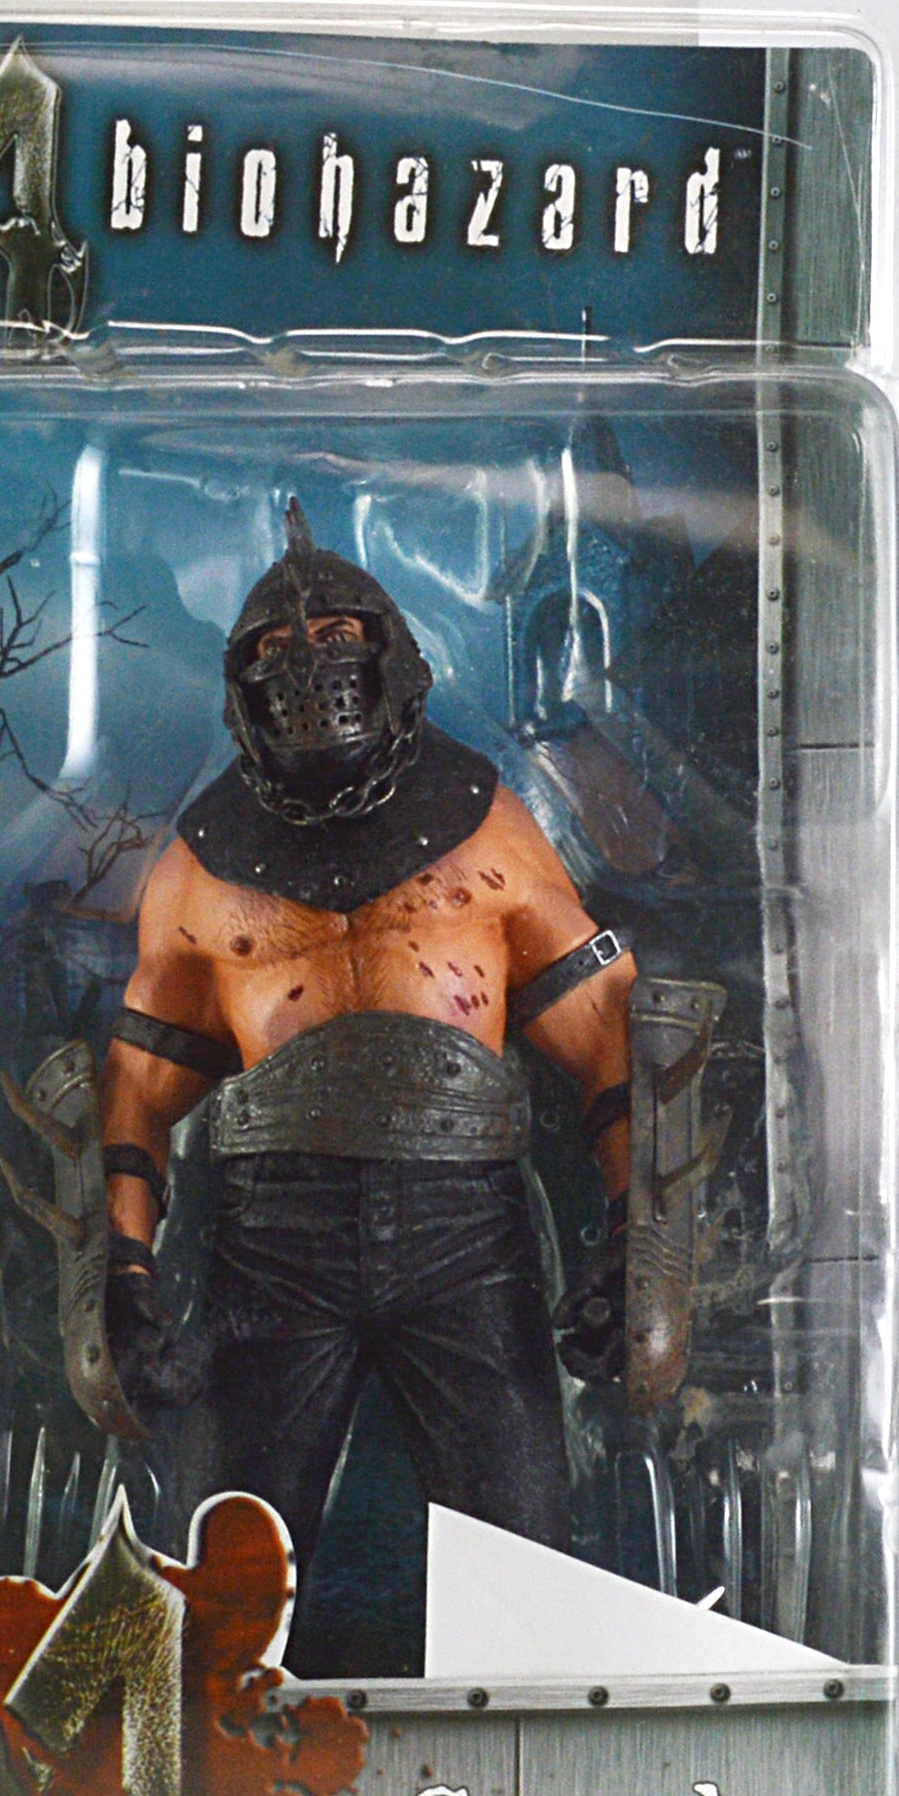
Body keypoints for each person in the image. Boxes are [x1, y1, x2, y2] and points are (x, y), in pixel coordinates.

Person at [95, 499, 637, 1575]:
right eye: (278, 651)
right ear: (242, 687)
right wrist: (119, 1270)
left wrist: (639, 1237)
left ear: (390, 654)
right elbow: (137, 1095)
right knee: (223, 1576)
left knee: (523, 1569)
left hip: (464, 1226)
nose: (309, 668)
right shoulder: (199, 870)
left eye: (336, 637)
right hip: (269, 1240)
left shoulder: (487, 828)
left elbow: (617, 1037)